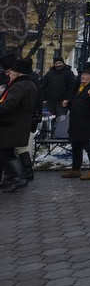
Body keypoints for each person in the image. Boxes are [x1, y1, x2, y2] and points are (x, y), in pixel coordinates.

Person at [60, 63, 90, 181]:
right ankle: (76, 169)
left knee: (89, 147)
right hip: (77, 123)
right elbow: (78, 102)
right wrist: (68, 104)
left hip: (87, 123)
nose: (82, 76)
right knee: (76, 146)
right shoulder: (81, 86)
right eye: (82, 74)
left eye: (85, 74)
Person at [0, 59, 36, 193]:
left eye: (12, 72)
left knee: (6, 153)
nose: (9, 74)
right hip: (18, 124)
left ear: (18, 73)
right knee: (6, 152)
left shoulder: (19, 86)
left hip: (11, 126)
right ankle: (10, 179)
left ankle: (20, 178)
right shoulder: (29, 84)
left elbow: (9, 105)